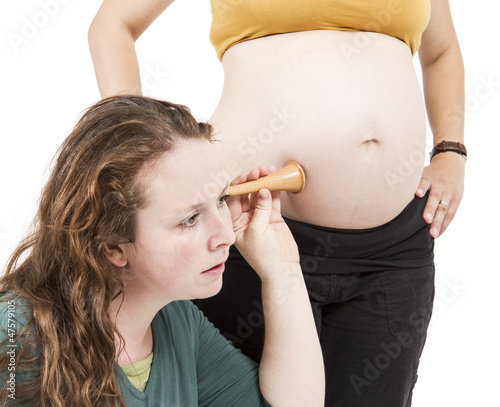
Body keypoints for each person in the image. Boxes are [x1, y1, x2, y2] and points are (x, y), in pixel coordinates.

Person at [88, 1, 466, 405]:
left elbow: (441, 51)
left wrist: (451, 150)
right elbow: (113, 25)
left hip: (392, 248)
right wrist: (136, 151)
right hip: (247, 230)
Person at [0, 95, 324, 406]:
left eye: (221, 199)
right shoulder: (14, 334)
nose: (226, 235)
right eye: (190, 219)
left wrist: (283, 269)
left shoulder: (177, 320)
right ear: (114, 246)